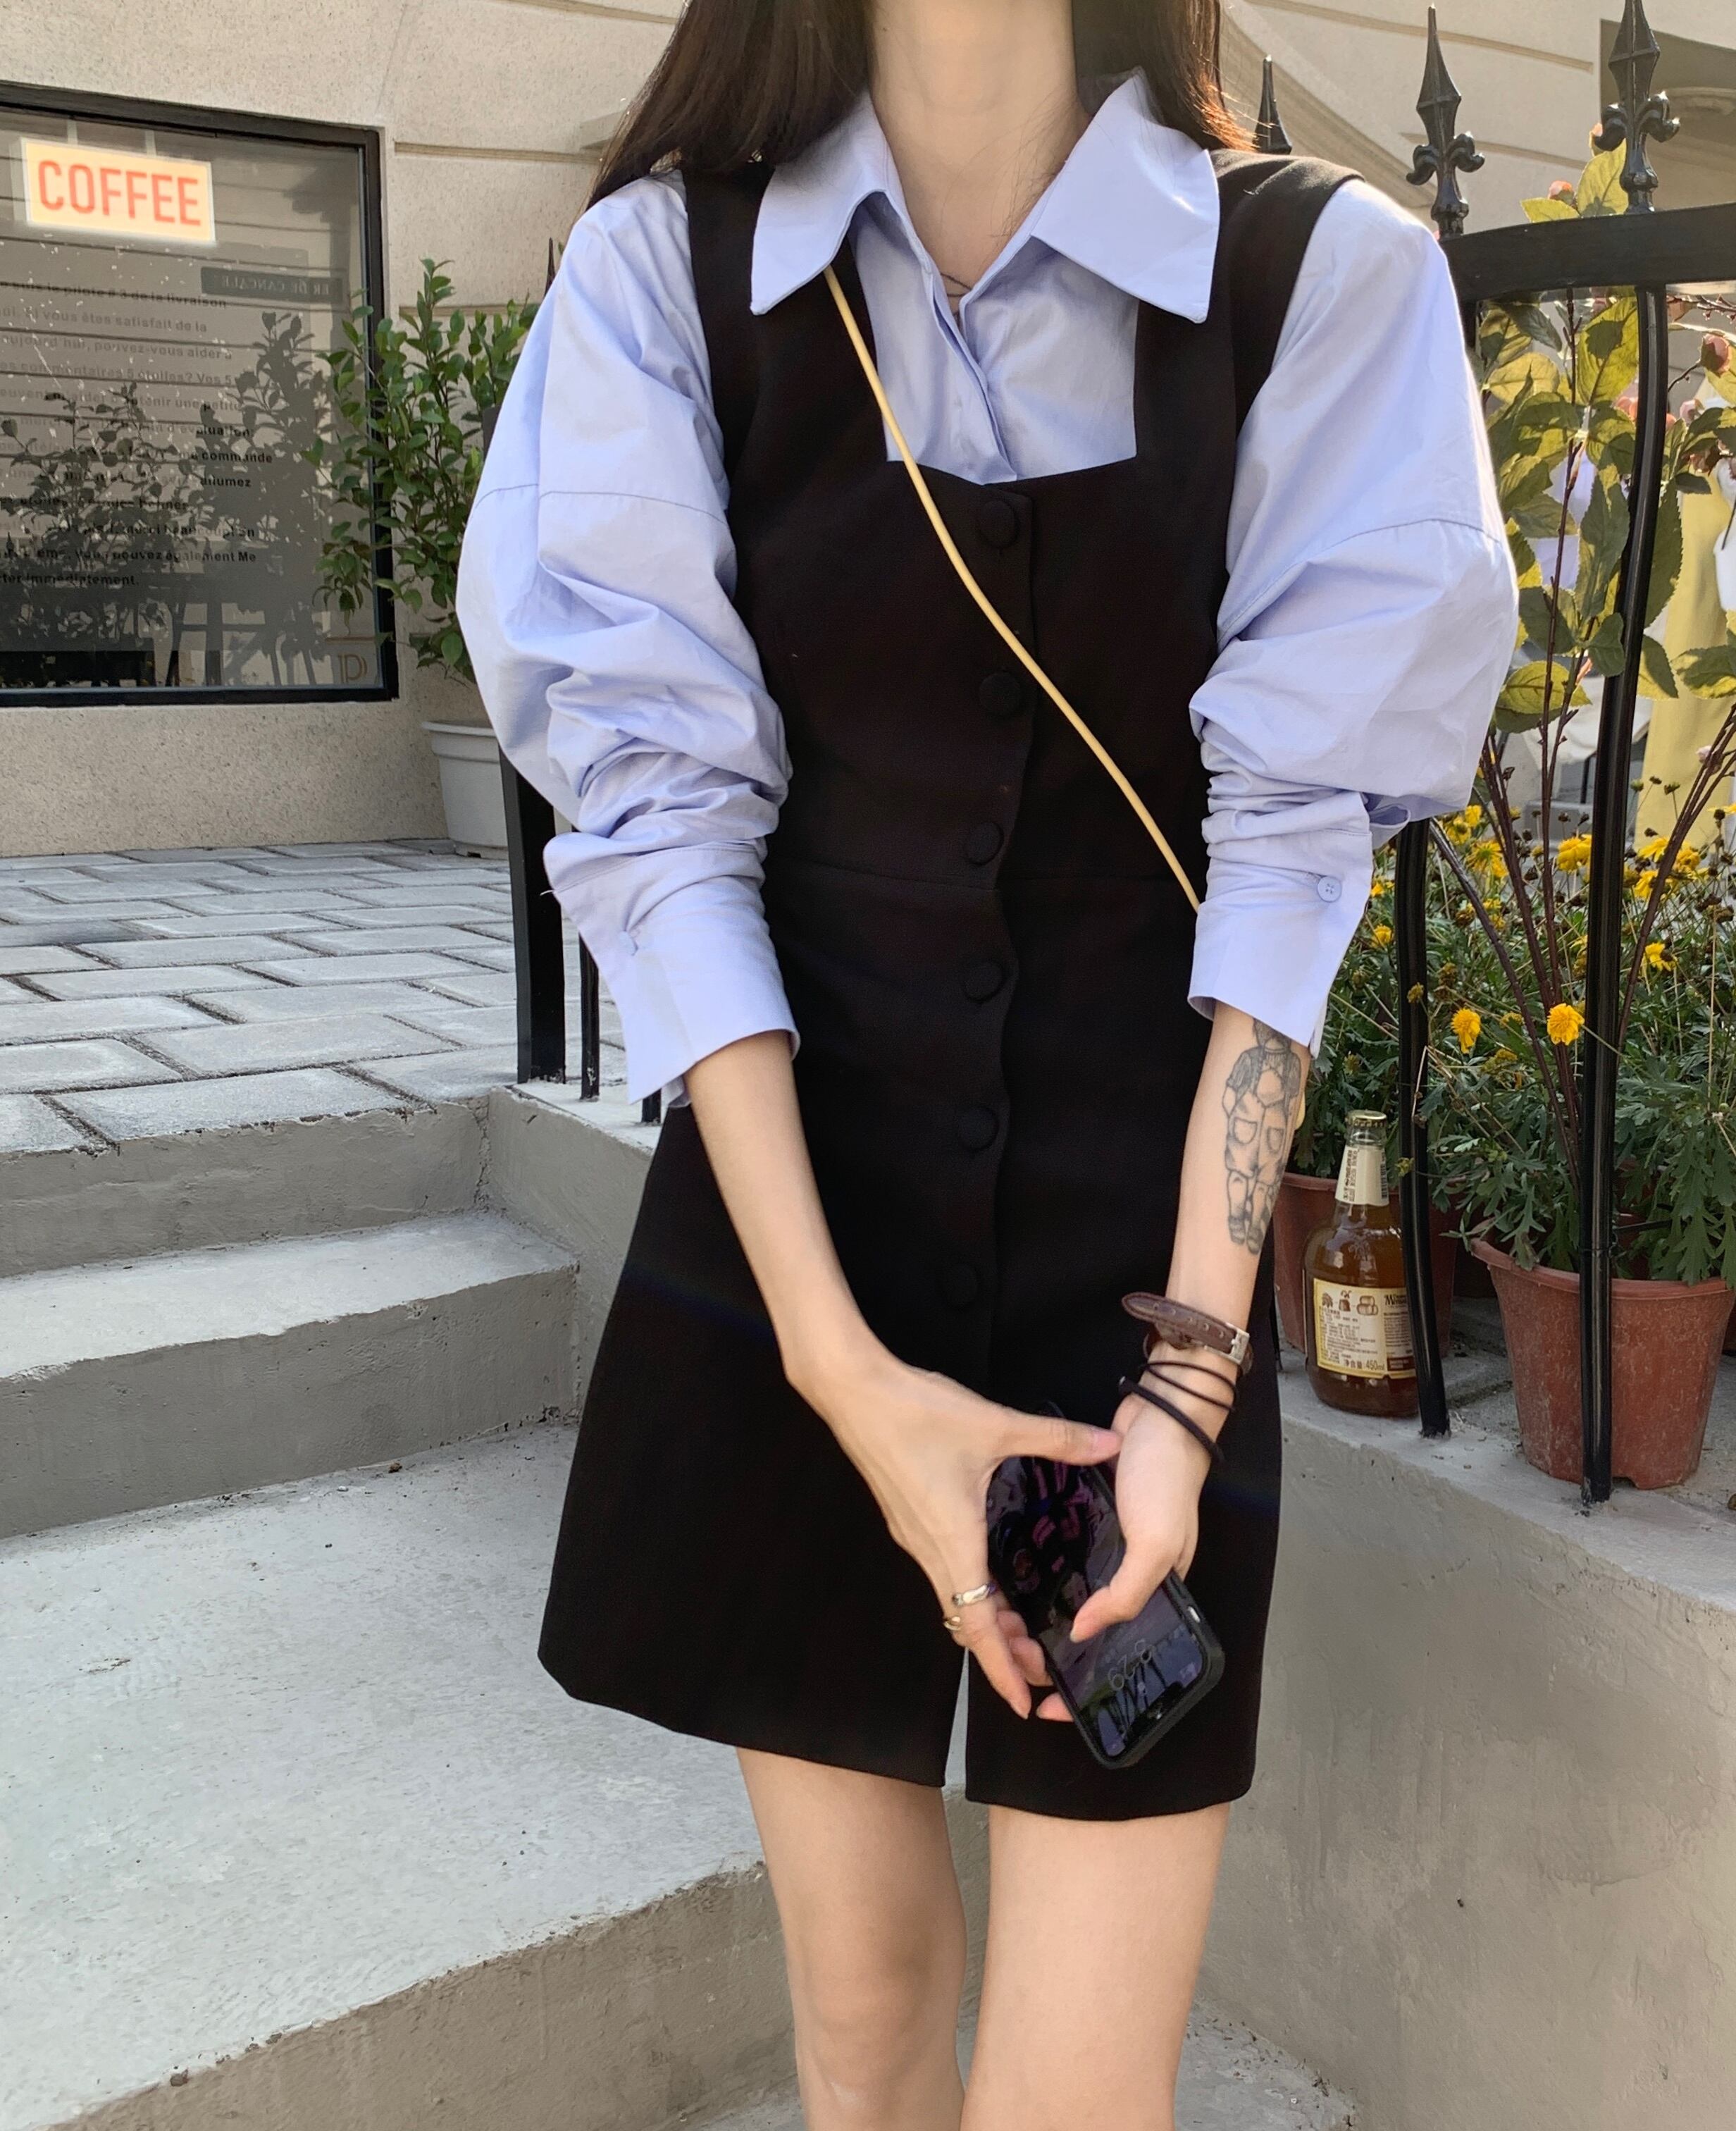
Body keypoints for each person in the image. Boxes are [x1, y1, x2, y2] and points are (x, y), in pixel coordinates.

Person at [458, 2, 1513, 2125]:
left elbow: (1292, 855)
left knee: (1076, 2089)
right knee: (861, 2013)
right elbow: (662, 827)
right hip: (796, 1251)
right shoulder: (671, 267)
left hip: (1140, 1287)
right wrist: (846, 1379)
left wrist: (1188, 1385)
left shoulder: (1321, 276)